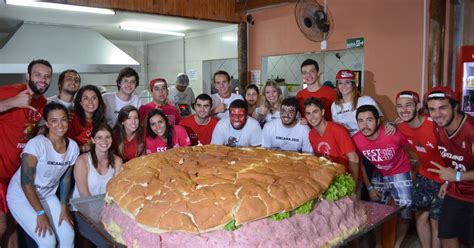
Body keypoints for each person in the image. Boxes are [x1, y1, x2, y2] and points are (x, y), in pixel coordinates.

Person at [7, 102, 79, 247]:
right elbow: (26, 183)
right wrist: (40, 214)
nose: (60, 124)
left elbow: (65, 179)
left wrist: (64, 207)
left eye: (63, 119)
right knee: (47, 240)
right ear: (47, 123)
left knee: (68, 234)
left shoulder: (72, 147)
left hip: (47, 195)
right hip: (21, 196)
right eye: (54, 120)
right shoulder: (36, 144)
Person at [0, 59, 52, 247]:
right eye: (38, 75)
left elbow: (26, 130)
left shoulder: (43, 102)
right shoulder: (13, 91)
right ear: (28, 76)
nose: (43, 80)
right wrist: (12, 102)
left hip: (16, 173)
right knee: (2, 225)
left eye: (47, 77)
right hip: (0, 170)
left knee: (13, 225)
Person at [353, 105, 413, 248]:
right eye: (360, 121)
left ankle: (396, 245)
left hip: (400, 172)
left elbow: (413, 146)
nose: (365, 125)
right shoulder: (356, 139)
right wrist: (370, 188)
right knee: (377, 212)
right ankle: (379, 245)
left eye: (369, 120)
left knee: (405, 213)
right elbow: (360, 165)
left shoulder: (392, 134)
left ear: (378, 121)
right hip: (378, 173)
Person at [395, 90, 446, 248]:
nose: (404, 110)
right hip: (424, 175)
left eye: (408, 105)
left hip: (444, 179)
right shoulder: (401, 127)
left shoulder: (435, 126)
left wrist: (450, 181)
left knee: (435, 220)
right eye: (400, 106)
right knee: (420, 216)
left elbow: (456, 155)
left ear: (417, 106)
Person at [424, 87, 474, 247]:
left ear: (455, 107)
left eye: (443, 108)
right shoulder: (438, 127)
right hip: (456, 191)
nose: (437, 114)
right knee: (446, 234)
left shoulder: (471, 131)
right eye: (432, 109)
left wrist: (456, 176)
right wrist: (448, 181)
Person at [71, 123, 122, 247]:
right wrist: (101, 221)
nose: (104, 141)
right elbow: (84, 195)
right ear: (93, 140)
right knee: (105, 243)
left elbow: (117, 192)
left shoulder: (117, 161)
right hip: (82, 212)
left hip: (107, 211)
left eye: (107, 137)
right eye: (99, 137)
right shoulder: (82, 161)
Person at [304, 97, 359, 181]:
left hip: (346, 177)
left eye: (315, 112)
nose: (312, 116)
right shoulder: (311, 134)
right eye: (308, 113)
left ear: (322, 112)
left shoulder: (338, 130)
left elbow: (353, 157)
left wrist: (353, 184)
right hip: (329, 178)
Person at [331, 69, 384, 136]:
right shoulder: (335, 105)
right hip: (345, 143)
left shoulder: (366, 100)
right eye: (340, 83)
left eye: (347, 82)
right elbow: (336, 128)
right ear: (337, 86)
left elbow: (381, 120)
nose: (343, 85)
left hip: (364, 142)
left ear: (353, 85)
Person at [67, 85, 106, 153]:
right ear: (80, 102)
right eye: (86, 98)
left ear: (99, 101)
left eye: (94, 98)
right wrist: (83, 148)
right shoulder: (71, 119)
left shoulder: (102, 120)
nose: (90, 101)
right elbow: (64, 148)